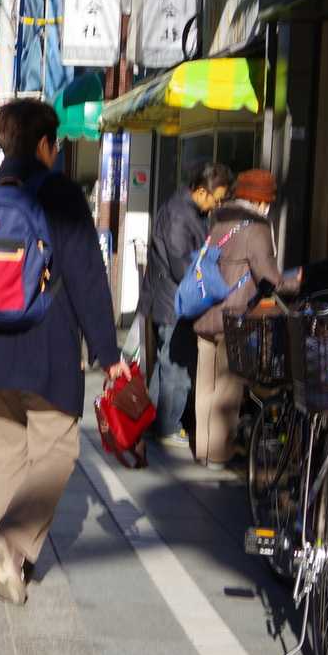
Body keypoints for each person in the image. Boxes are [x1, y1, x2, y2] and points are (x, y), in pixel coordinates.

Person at [0, 99, 128, 605]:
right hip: (48, 349)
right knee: (59, 451)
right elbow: (87, 277)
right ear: (45, 144)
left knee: (3, 456)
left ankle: (12, 566)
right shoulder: (61, 195)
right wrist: (108, 352)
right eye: (55, 142)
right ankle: (12, 543)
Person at [192, 169, 302, 470]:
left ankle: (203, 450)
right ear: (261, 200)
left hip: (205, 310)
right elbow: (269, 277)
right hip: (233, 318)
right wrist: (296, 282)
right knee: (227, 389)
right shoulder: (257, 227)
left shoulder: (218, 219)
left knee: (205, 386)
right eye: (269, 201)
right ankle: (218, 454)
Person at [137, 162, 234, 446]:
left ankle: (155, 422)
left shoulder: (186, 210)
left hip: (169, 298)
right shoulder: (180, 215)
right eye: (217, 199)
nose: (217, 205)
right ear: (202, 192)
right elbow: (182, 266)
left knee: (166, 363)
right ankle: (168, 427)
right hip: (174, 301)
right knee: (175, 367)